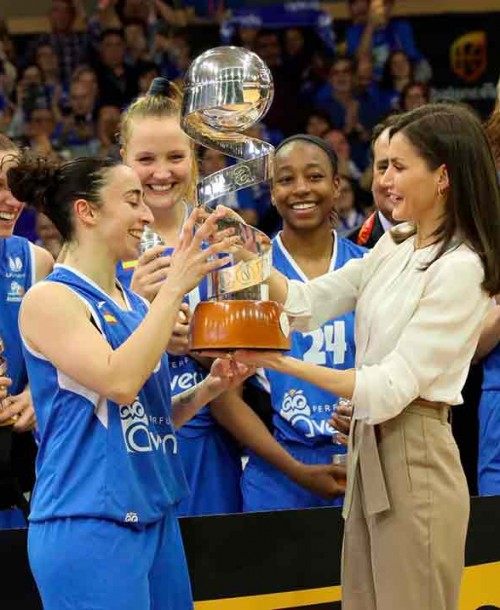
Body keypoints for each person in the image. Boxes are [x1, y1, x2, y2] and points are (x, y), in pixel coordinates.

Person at [230, 103, 500, 609]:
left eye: (398, 166)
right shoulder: (395, 242)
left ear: (442, 176)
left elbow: (387, 387)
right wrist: (249, 259)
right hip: (366, 450)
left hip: (416, 453)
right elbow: (306, 302)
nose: (384, 180)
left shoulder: (462, 267)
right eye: (382, 166)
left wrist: (277, 362)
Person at [8, 151, 249, 610]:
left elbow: (146, 414)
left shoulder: (133, 304)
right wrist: (176, 286)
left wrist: (209, 388)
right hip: (87, 520)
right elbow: (118, 382)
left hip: (153, 513)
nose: (146, 214)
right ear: (87, 211)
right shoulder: (49, 299)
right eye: (133, 200)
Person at [119, 79, 346, 514]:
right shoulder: (104, 245)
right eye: (145, 159)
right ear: (123, 160)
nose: (161, 172)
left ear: (197, 161)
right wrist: (149, 329)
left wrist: (204, 347)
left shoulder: (233, 240)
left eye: (175, 157)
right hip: (131, 443)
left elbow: (253, 359)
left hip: (211, 447)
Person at [237, 134, 365, 511]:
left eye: (314, 176)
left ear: (336, 185)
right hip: (277, 467)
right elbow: (227, 397)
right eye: (286, 179)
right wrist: (294, 469)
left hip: (362, 460)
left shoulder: (371, 266)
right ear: (272, 192)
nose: (301, 189)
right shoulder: (247, 273)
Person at [0, 134, 53, 529]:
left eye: (16, 187)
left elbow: (54, 362)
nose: (12, 200)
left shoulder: (35, 262)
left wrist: (35, 395)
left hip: (15, 465)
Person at [348, 114, 398, 247]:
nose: (390, 180)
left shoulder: (456, 244)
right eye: (383, 167)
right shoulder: (347, 253)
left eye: (401, 167)